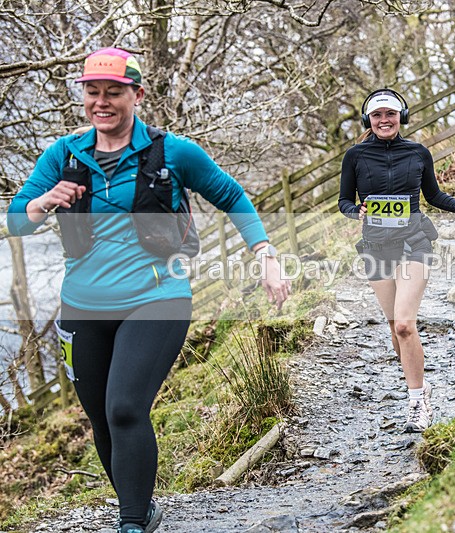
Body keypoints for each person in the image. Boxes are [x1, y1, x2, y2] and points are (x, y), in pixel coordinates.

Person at [7, 48, 291, 533]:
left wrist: (265, 253)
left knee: (124, 407)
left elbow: (231, 195)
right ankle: (142, 506)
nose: (102, 101)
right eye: (93, 92)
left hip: (157, 297)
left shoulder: (172, 152)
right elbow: (16, 220)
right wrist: (42, 203)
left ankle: (132, 523)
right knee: (102, 418)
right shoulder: (63, 155)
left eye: (114, 92)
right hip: (83, 306)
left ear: (136, 95)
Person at [339, 89, 455, 432]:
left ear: (401, 117)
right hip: (376, 247)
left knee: (405, 324)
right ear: (368, 121)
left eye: (390, 114)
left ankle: (418, 401)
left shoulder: (418, 152)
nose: (384, 120)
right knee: (395, 328)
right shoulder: (355, 156)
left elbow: (433, 195)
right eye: (377, 116)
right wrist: (355, 211)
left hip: (414, 242)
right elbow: (344, 201)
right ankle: (417, 379)